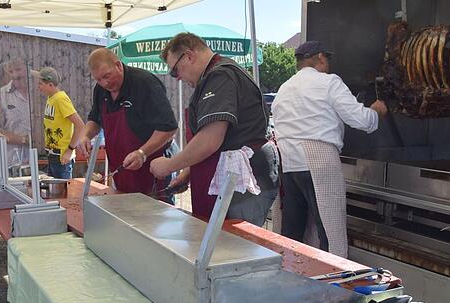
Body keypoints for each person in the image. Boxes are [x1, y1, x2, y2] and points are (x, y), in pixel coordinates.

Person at [272, 41, 388, 257]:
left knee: (293, 232)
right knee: (329, 231)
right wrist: (376, 111)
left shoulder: (284, 88)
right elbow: (360, 120)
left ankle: (291, 277)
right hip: (318, 157)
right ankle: (331, 282)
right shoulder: (329, 83)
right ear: (321, 58)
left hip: (288, 163)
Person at [151, 33, 280, 225]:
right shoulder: (215, 76)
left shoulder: (220, 76)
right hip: (232, 178)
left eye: (175, 70)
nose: (177, 78)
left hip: (243, 182)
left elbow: (211, 139)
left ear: (189, 56)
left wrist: (168, 166)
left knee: (235, 247)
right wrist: (187, 172)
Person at [73, 48, 177, 197]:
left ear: (118, 65)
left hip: (151, 170)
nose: (104, 83)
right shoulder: (101, 90)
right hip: (122, 171)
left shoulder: (145, 84)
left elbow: (169, 127)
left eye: (107, 76)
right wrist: (84, 136)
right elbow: (95, 119)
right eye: (98, 80)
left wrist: (142, 153)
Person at [34, 67, 85, 179]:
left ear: (51, 85)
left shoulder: (60, 99)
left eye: (41, 84)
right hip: (52, 155)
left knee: (64, 192)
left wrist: (70, 150)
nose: (39, 87)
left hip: (62, 158)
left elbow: (80, 125)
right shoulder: (51, 99)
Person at [0, 58, 31, 169]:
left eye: (18, 69)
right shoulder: (2, 95)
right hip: (14, 161)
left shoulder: (40, 90)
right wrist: (24, 140)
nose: (15, 75)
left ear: (27, 68)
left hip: (42, 159)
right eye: (11, 71)